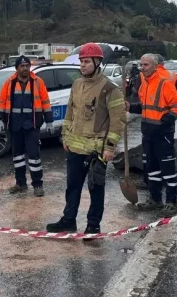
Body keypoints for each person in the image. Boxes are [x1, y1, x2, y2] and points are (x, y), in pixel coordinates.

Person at [46, 43, 126, 236]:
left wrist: (109, 147)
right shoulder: (77, 84)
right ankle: (68, 221)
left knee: (95, 189)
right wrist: (65, 136)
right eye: (81, 62)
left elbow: (118, 121)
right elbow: (70, 113)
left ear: (98, 62)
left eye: (87, 61)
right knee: (72, 187)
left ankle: (93, 225)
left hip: (95, 151)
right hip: (74, 148)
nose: (83, 65)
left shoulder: (109, 89)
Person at [126, 53, 177, 217]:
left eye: (145, 65)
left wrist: (166, 119)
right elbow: (144, 107)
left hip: (163, 134)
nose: (142, 68)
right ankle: (155, 199)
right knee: (151, 168)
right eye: (141, 65)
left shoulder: (165, 83)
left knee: (167, 169)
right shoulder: (145, 84)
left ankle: (172, 202)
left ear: (155, 66)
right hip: (148, 133)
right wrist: (130, 106)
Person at [0, 55, 54, 197]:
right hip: (15, 125)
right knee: (18, 156)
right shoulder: (9, 82)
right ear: (17, 68)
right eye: (22, 66)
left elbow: (45, 102)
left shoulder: (38, 82)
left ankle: (38, 185)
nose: (25, 68)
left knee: (34, 156)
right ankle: (20, 184)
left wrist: (49, 121)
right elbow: (2, 101)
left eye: (27, 66)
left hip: (32, 124)